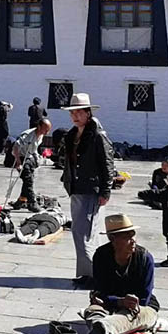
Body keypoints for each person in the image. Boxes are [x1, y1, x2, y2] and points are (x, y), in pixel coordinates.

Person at [85, 213, 160, 334]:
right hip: (110, 303)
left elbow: (144, 298)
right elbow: (100, 291)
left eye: (133, 236)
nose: (133, 241)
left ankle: (103, 329)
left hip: (137, 308)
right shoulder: (101, 256)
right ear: (113, 239)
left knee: (137, 316)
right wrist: (118, 301)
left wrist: (126, 303)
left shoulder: (145, 258)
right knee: (92, 310)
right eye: (127, 237)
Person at [60, 93, 115, 288]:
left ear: (88, 113)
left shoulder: (98, 136)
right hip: (76, 187)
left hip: (91, 189)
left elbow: (108, 164)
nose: (74, 116)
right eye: (72, 112)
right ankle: (86, 273)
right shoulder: (72, 135)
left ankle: (93, 275)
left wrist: (105, 191)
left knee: (85, 233)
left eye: (78, 112)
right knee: (80, 232)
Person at [10, 118, 52, 210]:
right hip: (20, 157)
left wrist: (37, 158)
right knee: (28, 180)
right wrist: (18, 163)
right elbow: (15, 147)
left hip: (29, 157)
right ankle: (32, 202)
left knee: (28, 179)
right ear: (39, 126)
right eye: (45, 130)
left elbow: (34, 147)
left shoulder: (40, 135)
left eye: (48, 130)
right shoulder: (27, 135)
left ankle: (21, 201)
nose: (46, 133)